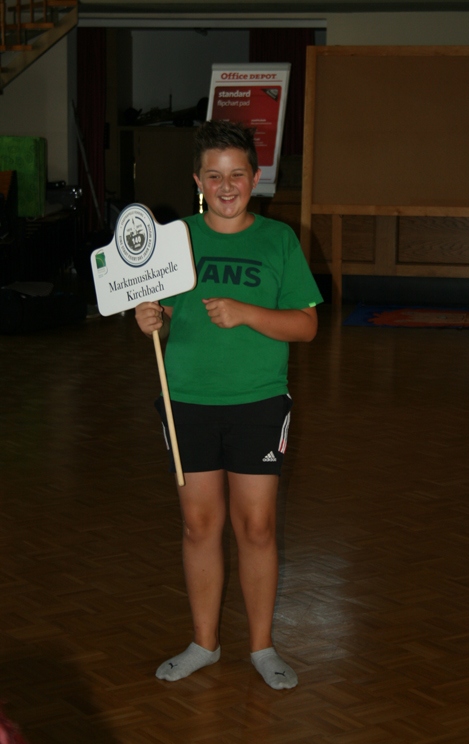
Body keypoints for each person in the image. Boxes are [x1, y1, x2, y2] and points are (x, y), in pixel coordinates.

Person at [135, 120, 323, 690]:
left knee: (257, 527)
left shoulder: (279, 240)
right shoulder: (177, 240)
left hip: (257, 403)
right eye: (213, 176)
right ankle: (204, 643)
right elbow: (163, 316)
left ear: (255, 177)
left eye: (236, 174)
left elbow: (307, 326)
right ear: (197, 181)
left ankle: (262, 647)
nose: (225, 186)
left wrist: (246, 313)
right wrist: (151, 319)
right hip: (187, 401)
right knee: (199, 525)